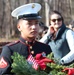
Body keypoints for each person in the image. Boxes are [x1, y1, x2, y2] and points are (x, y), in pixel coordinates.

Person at [0, 3, 52, 75]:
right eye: (29, 23)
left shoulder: (45, 48)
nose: (34, 27)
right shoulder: (10, 50)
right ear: (19, 27)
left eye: (36, 23)